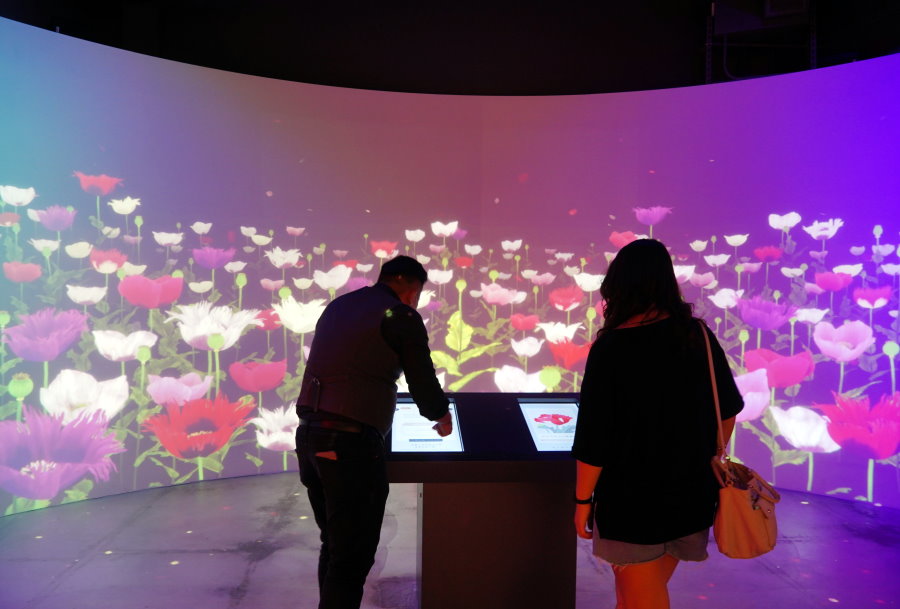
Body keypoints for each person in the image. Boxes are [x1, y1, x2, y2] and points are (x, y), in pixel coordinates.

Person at [572, 238, 744, 609]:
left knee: (639, 599)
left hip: (631, 503)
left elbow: (594, 439)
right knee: (632, 597)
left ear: (617, 285)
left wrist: (582, 500)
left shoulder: (612, 348)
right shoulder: (697, 335)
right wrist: (707, 453)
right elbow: (728, 410)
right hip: (690, 494)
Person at [294, 255, 453, 609]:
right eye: (416, 293)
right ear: (407, 284)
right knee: (351, 557)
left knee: (335, 546)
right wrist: (441, 415)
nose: (414, 301)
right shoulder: (399, 315)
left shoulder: (339, 306)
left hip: (309, 436)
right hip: (350, 442)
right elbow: (421, 376)